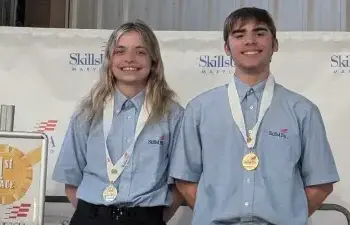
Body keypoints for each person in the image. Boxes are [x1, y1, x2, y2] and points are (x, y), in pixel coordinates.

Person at [169, 7, 340, 225]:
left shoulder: (303, 110)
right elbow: (185, 179)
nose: (250, 40)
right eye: (239, 35)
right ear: (226, 48)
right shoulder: (199, 109)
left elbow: (320, 183)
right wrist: (212, 212)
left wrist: (287, 216)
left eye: (260, 33)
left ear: (274, 44)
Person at [52, 20, 184, 225]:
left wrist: (153, 218)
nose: (129, 59)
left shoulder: (173, 115)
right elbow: (71, 182)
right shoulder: (87, 112)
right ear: (109, 60)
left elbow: (179, 183)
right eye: (120, 51)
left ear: (154, 61)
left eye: (140, 52)